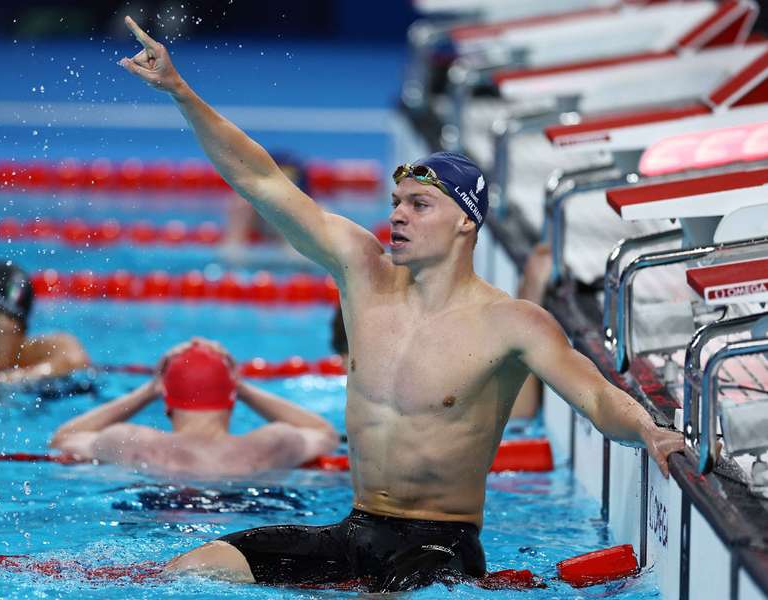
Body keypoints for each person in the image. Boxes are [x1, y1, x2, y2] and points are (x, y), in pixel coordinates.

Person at [117, 16, 685, 592]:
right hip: (355, 529)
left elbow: (594, 396)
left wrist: (648, 426)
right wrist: (182, 93)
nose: (397, 216)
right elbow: (261, 181)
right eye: (396, 202)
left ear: (466, 220)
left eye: (419, 205)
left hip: (440, 545)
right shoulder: (363, 273)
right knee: (188, 571)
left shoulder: (509, 322)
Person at [49, 339, 339, 476]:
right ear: (232, 401)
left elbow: (62, 440)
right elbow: (326, 434)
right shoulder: (271, 443)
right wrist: (243, 387)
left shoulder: (132, 442)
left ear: (167, 403)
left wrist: (147, 390)